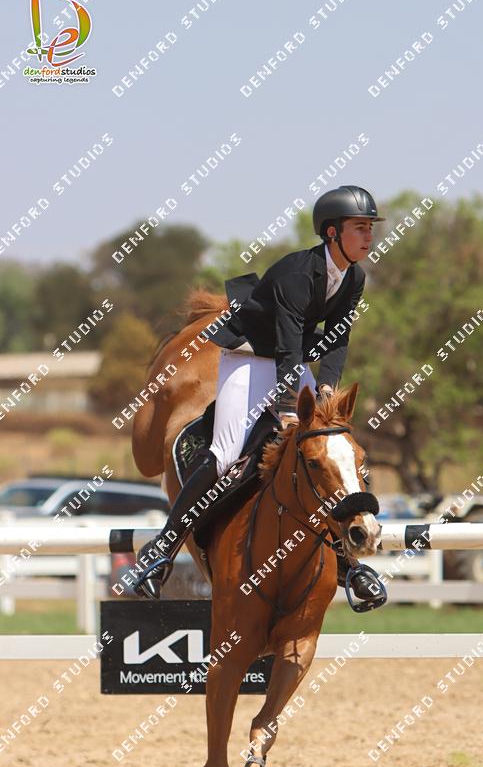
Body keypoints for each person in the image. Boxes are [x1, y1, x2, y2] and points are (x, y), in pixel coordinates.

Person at [131, 185, 387, 608]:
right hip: (249, 358)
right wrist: (288, 409)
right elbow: (287, 346)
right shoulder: (296, 274)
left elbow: (337, 340)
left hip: (291, 357)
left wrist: (327, 391)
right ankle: (161, 552)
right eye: (359, 227)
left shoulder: (354, 278)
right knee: (225, 454)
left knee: (327, 446)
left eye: (370, 227)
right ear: (332, 233)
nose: (369, 235)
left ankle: (347, 562)